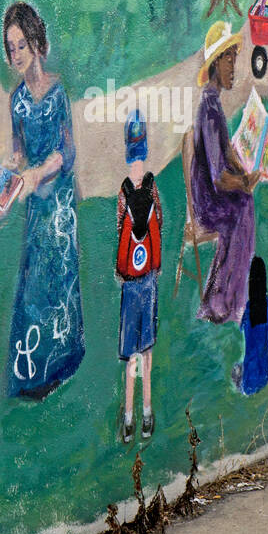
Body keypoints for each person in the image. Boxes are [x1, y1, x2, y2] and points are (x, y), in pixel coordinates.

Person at [3, 2, 85, 399]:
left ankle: (63, 362)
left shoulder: (57, 93)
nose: (15, 55)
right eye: (10, 48)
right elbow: (18, 151)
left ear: (36, 43)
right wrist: (8, 169)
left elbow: (65, 153)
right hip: (36, 204)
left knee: (60, 278)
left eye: (21, 45)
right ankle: (31, 373)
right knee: (34, 283)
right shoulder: (15, 100)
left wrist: (39, 172)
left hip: (59, 201)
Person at [192, 21, 260, 324]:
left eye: (235, 58)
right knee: (242, 208)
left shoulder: (214, 103)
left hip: (213, 194)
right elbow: (219, 176)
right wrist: (243, 183)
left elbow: (227, 151)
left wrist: (245, 167)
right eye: (229, 59)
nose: (234, 66)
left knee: (243, 205)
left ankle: (223, 298)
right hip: (206, 202)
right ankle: (225, 303)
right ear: (215, 64)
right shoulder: (208, 107)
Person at [116, 109, 161, 442]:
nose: (137, 166)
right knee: (143, 351)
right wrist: (154, 264)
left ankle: (134, 415)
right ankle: (140, 414)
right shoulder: (151, 189)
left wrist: (122, 269)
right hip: (145, 281)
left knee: (135, 352)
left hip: (133, 282)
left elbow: (121, 233)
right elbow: (157, 228)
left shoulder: (125, 194)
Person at [236, 257, 268, 395]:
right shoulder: (267, 309)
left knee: (236, 369)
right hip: (266, 369)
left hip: (250, 378)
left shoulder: (247, 314)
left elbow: (241, 327)